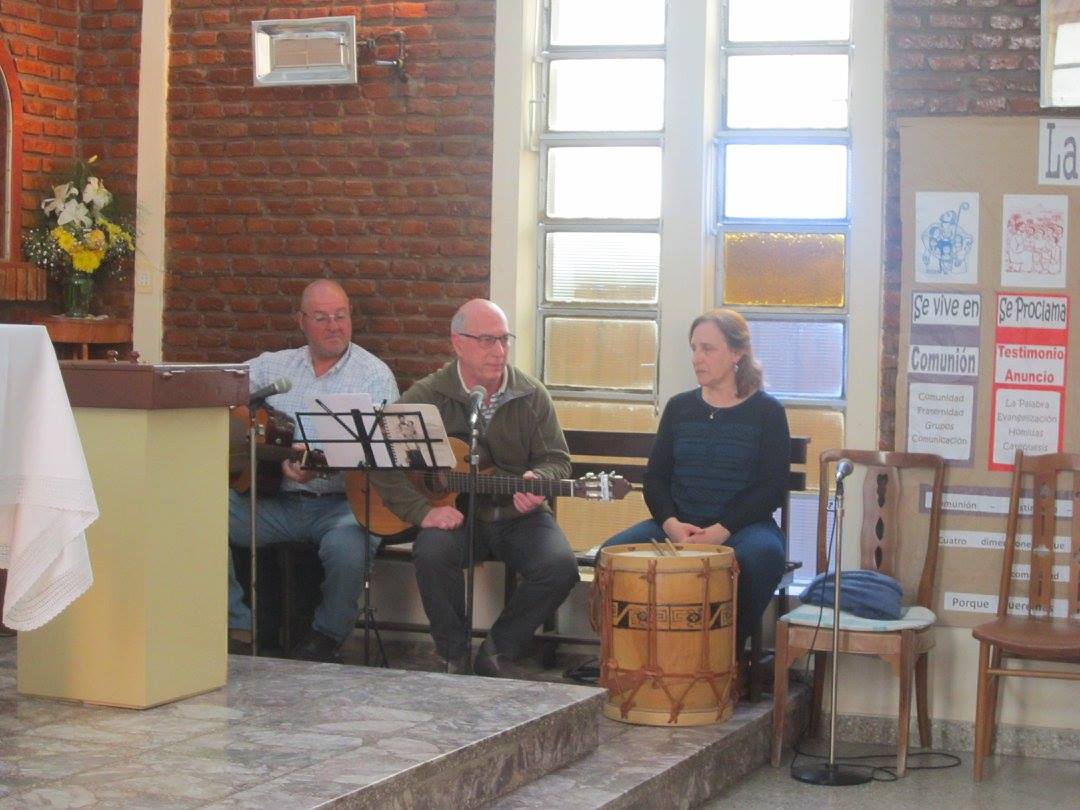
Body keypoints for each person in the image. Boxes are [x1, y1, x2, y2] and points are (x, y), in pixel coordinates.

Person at [372, 299, 579, 676]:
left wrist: (539, 480)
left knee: (560, 566)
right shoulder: (429, 395)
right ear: (458, 343)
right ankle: (452, 655)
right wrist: (422, 512)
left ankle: (498, 652)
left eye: (504, 339)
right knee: (431, 552)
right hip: (457, 515)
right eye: (486, 340)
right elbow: (379, 457)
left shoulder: (531, 395)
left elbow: (557, 459)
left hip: (518, 515)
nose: (499, 351)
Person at [600, 308, 790, 660]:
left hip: (743, 529)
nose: (696, 358)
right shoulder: (679, 408)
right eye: (694, 348)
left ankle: (722, 657)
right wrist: (671, 525)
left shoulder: (767, 412)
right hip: (677, 526)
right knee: (610, 555)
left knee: (761, 557)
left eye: (707, 349)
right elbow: (655, 478)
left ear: (737, 353)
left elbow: (771, 487)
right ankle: (638, 660)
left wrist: (722, 530)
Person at [228, 279, 399, 663]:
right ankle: (236, 625)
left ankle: (326, 636)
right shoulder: (275, 366)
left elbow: (381, 456)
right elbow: (222, 385)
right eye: (321, 318)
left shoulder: (373, 376)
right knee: (203, 514)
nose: (333, 326)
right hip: (276, 502)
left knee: (349, 547)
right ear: (301, 321)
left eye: (341, 316)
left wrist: (319, 466)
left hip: (341, 505)